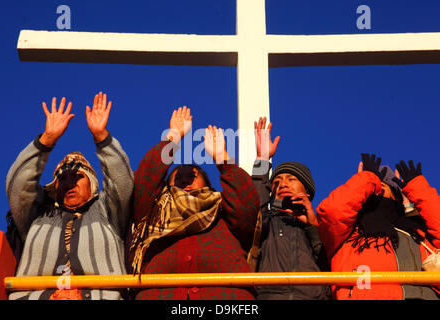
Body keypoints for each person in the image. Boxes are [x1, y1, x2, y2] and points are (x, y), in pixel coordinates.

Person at [6, 92, 134, 300]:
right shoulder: (40, 214)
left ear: (92, 184)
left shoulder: (106, 212)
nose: (69, 183)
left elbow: (122, 182)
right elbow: (18, 186)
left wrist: (101, 137)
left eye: (77, 177)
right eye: (62, 179)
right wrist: (47, 140)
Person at [128, 106, 260, 300]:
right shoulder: (153, 212)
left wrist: (222, 158)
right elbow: (145, 180)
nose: (185, 181)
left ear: (208, 185)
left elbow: (247, 204)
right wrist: (172, 137)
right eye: (178, 178)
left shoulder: (222, 210)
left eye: (192, 177)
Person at [317, 153, 440, 300]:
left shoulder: (418, 231)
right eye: (372, 188)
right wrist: (367, 179)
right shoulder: (348, 231)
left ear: (396, 195)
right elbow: (332, 211)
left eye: (382, 187)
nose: (376, 191)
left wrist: (419, 190)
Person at [250, 117, 330, 300]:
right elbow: (254, 208)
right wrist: (262, 159)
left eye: (291, 179)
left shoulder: (321, 224)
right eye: (276, 182)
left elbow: (328, 263)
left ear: (307, 191)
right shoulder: (266, 220)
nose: (283, 184)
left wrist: (313, 227)